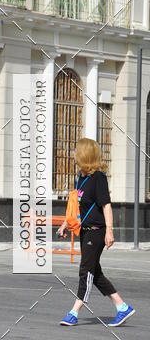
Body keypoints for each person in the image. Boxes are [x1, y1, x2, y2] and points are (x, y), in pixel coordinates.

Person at [57, 137, 134, 327]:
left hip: (97, 231)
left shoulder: (98, 178)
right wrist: (65, 224)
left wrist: (110, 231)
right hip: (84, 231)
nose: (73, 154)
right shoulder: (81, 178)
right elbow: (77, 207)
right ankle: (122, 306)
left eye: (76, 151)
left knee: (85, 271)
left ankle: (74, 312)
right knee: (95, 272)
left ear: (84, 154)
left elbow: (106, 206)